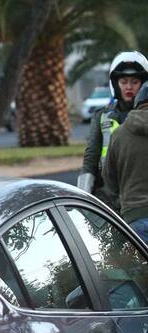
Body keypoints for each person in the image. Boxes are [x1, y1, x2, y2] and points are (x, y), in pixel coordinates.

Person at [78, 51, 148, 203]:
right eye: (124, 81)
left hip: (140, 197)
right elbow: (90, 159)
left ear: (143, 84)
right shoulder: (102, 116)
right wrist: (83, 199)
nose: (129, 87)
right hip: (109, 199)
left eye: (134, 82)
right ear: (116, 84)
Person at [102, 81, 148, 242]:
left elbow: (108, 177)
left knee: (140, 267)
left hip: (134, 218)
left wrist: (120, 205)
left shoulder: (118, 134)